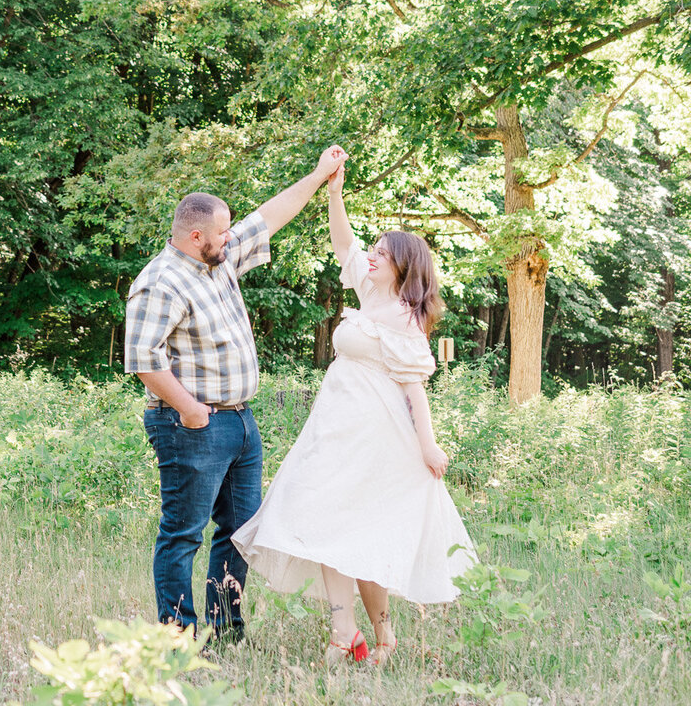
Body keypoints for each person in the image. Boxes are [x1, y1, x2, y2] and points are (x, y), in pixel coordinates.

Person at [231, 161, 477, 664]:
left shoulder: (407, 320)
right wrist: (332, 191)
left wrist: (428, 445)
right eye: (375, 250)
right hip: (333, 429)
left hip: (376, 435)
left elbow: (414, 390)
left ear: (403, 267)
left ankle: (379, 637)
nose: (372, 256)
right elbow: (343, 241)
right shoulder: (366, 293)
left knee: (359, 530)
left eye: (383, 254)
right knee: (321, 518)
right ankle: (345, 633)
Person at [124, 145, 349, 641]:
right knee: (183, 534)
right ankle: (177, 637)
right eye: (223, 231)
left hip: (240, 423)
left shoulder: (218, 260)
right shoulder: (160, 281)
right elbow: (143, 359)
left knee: (239, 534)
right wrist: (190, 410)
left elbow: (269, 217)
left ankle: (227, 631)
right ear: (196, 235)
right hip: (192, 425)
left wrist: (318, 175)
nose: (232, 236)